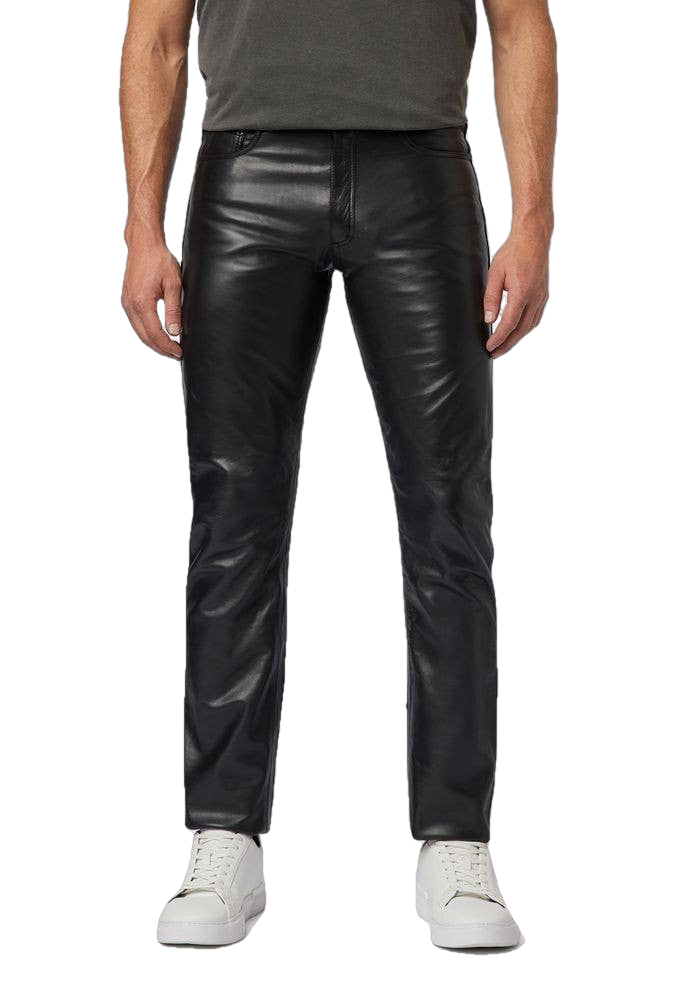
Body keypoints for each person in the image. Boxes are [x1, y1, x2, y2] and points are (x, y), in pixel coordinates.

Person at [120, 0, 557, 952]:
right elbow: (156, 33)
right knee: (232, 517)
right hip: (244, 172)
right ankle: (224, 836)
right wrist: (142, 228)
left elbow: (521, 22)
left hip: (423, 172)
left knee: (449, 512)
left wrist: (533, 220)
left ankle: (457, 842)